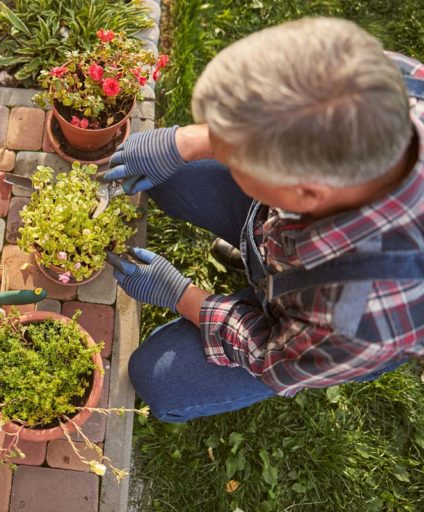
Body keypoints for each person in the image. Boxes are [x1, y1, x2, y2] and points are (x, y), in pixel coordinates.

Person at [103, 17, 424, 422]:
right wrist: (189, 142)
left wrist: (181, 295)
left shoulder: (357, 322)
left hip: (303, 330)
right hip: (298, 250)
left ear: (305, 195)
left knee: (158, 378)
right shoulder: (384, 82)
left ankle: (271, 288)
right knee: (172, 176)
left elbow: (273, 360)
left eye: (243, 163)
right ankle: (263, 262)